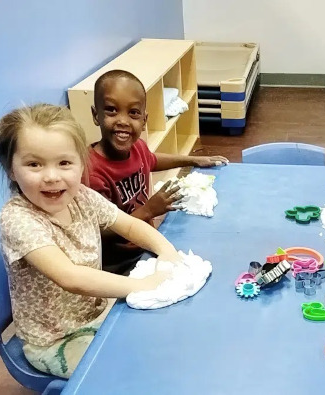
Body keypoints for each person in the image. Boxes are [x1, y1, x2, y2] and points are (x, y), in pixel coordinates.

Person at [0, 104, 181, 378]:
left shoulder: (82, 196)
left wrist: (166, 251)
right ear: (11, 169)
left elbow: (128, 224)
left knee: (161, 338)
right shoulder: (17, 220)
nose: (52, 176)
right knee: (137, 372)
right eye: (34, 164)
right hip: (55, 340)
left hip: (98, 315)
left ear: (82, 163)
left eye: (65, 163)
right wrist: (142, 285)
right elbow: (70, 277)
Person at [87, 69, 228, 274]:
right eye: (111, 110)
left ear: (144, 120)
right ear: (95, 115)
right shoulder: (93, 173)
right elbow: (99, 232)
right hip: (120, 264)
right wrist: (148, 211)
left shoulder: (137, 148)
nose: (123, 121)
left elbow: (151, 160)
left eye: (133, 112)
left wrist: (194, 160)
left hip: (147, 242)